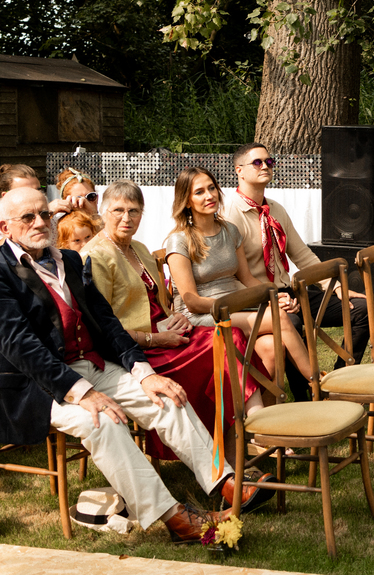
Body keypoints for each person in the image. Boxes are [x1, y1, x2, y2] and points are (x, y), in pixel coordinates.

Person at [0, 186, 260, 543]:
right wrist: (83, 393)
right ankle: (174, 517)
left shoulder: (70, 260)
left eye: (44, 214)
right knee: (102, 422)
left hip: (92, 364)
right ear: (5, 228)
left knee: (166, 395)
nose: (39, 222)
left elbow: (107, 323)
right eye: (28, 217)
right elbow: (20, 346)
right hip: (39, 386)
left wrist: (145, 374)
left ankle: (225, 482)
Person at [82, 180, 268, 463]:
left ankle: (232, 449)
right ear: (103, 213)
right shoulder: (95, 256)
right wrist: (155, 338)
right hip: (133, 352)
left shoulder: (139, 248)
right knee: (224, 344)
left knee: (228, 336)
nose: (126, 218)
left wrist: (174, 316)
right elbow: (102, 330)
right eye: (118, 210)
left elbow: (155, 303)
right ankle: (253, 428)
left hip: (165, 335)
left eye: (134, 211)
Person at [224, 142, 369, 401]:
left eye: (269, 161)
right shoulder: (229, 213)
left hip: (289, 292)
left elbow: (302, 255)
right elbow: (232, 274)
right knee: (290, 322)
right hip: (254, 299)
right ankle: (306, 396)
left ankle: (338, 383)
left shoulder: (275, 209)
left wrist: (335, 287)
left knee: (361, 309)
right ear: (239, 171)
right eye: (257, 162)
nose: (265, 166)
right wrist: (271, 299)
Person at [164, 166, 312, 386]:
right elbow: (192, 302)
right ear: (186, 201)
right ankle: (318, 382)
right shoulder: (179, 240)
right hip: (203, 316)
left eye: (212, 188)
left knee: (272, 347)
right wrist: (238, 304)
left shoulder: (230, 231)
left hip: (236, 307)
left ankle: (262, 406)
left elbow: (248, 279)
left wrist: (273, 296)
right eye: (199, 192)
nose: (209, 196)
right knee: (280, 318)